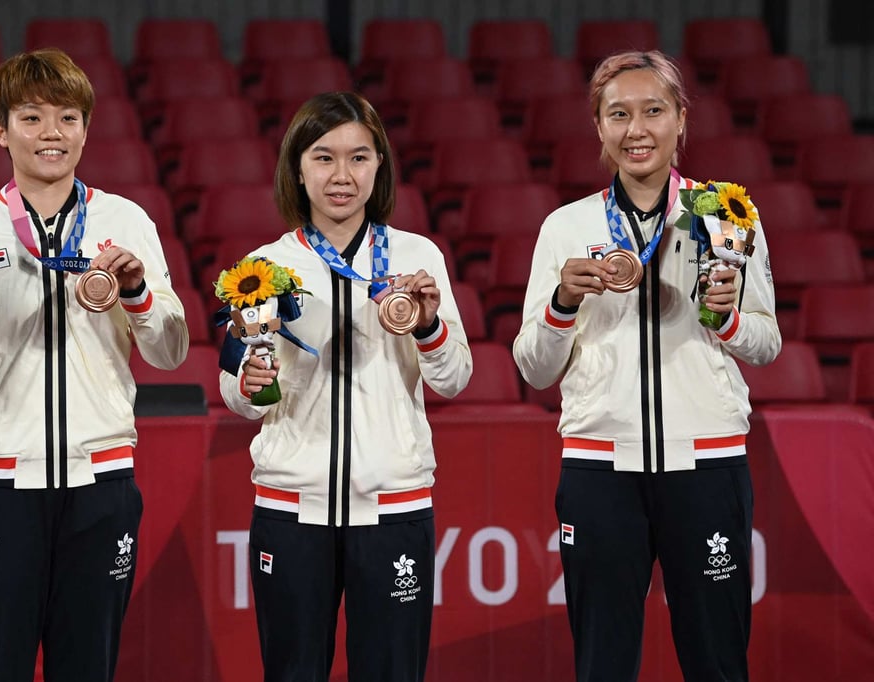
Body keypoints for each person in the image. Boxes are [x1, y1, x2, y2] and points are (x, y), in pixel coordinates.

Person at [0, 48, 189, 682]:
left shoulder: (125, 221)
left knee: (88, 667)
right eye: (31, 117)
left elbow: (169, 351)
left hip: (100, 485)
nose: (51, 133)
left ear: (86, 127)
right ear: (1, 130)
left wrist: (138, 294)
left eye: (67, 117)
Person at [512, 51, 781, 681]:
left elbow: (767, 344)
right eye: (619, 114)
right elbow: (534, 369)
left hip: (708, 464)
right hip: (601, 469)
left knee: (717, 661)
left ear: (681, 120)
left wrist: (729, 319)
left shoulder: (728, 215)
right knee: (603, 664)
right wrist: (562, 302)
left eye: (654, 111)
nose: (637, 129)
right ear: (599, 127)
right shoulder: (565, 227)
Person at [218, 91, 472, 681]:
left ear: (379, 165)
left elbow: (455, 378)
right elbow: (234, 391)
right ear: (298, 170)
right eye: (323, 157)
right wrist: (253, 384)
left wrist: (429, 325)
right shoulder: (262, 266)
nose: (342, 175)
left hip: (393, 507)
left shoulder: (415, 256)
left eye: (359, 157)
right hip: (291, 507)